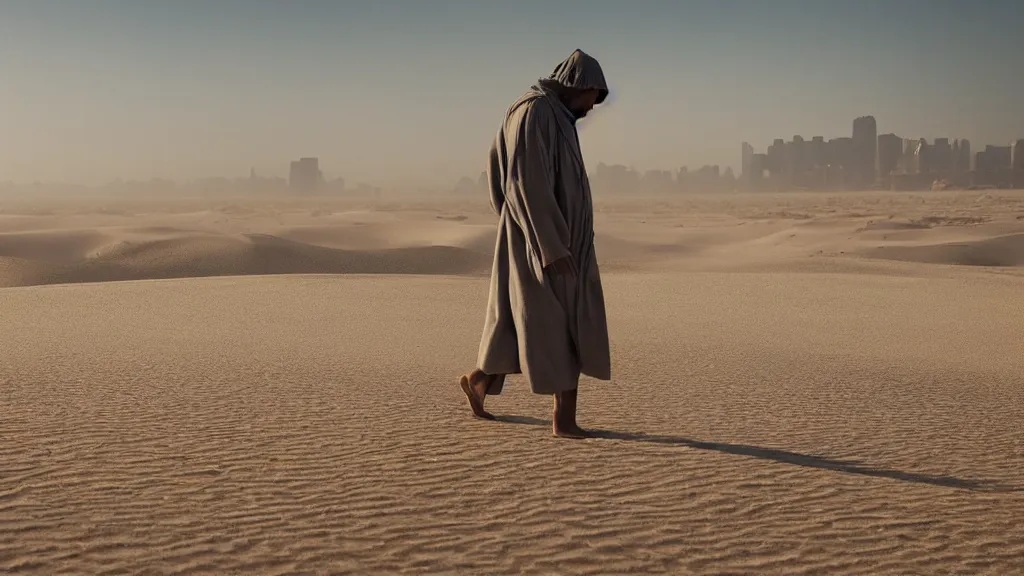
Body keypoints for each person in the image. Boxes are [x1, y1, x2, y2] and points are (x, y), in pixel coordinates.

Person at [459, 49, 612, 439]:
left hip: (545, 237)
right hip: (547, 242)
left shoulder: (552, 114)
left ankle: (479, 380)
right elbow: (526, 181)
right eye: (593, 96)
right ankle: (564, 421)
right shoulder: (536, 112)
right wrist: (548, 245)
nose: (594, 106)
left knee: (522, 320)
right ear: (578, 85)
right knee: (564, 325)